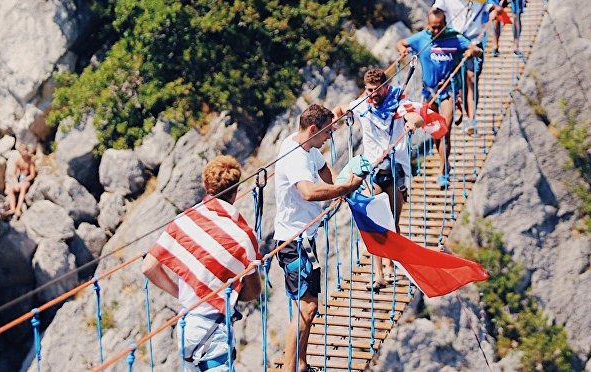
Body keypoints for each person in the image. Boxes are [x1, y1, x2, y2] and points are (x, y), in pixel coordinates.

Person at [142, 155, 262, 371]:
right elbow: (253, 292)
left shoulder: (183, 222)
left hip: (186, 325)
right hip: (214, 331)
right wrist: (232, 292)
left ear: (206, 187)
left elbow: (148, 267)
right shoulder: (243, 237)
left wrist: (181, 293)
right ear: (235, 193)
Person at [274, 104, 364, 372]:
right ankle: (292, 369)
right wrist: (343, 188)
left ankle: (301, 364)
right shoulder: (294, 156)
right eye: (327, 132)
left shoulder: (308, 148)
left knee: (309, 307)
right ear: (313, 129)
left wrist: (340, 187)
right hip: (293, 242)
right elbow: (309, 193)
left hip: (306, 239)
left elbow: (325, 170)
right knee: (307, 307)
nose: (329, 137)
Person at [332, 68, 424, 290]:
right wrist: (336, 118)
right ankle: (379, 274)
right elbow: (342, 108)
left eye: (375, 90)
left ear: (384, 87)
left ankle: (391, 266)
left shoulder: (397, 102)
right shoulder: (363, 103)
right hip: (372, 171)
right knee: (375, 223)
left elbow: (416, 116)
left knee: (392, 224)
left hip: (394, 171)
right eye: (368, 90)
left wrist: (412, 124)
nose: (371, 94)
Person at [396, 8, 482, 188]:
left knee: (444, 130)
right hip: (429, 93)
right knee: (435, 133)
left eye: (439, 27)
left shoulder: (455, 38)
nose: (436, 31)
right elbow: (402, 42)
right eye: (433, 27)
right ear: (428, 24)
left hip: (449, 91)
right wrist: (403, 51)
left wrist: (471, 52)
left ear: (445, 24)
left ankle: (443, 171)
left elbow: (476, 49)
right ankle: (445, 163)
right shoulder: (422, 38)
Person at [433, 0, 489, 134]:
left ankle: (471, 119)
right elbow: (434, 14)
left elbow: (491, 5)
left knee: (471, 79)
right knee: (455, 82)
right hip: (453, 43)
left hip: (473, 42)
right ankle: (460, 108)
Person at [5, 143, 36, 220]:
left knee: (23, 188)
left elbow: (32, 175)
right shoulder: (18, 161)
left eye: (25, 150)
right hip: (19, 179)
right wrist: (15, 183)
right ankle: (12, 208)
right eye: (22, 151)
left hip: (26, 180)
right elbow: (13, 174)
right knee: (10, 189)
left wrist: (26, 179)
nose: (24, 153)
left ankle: (18, 209)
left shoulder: (30, 161)